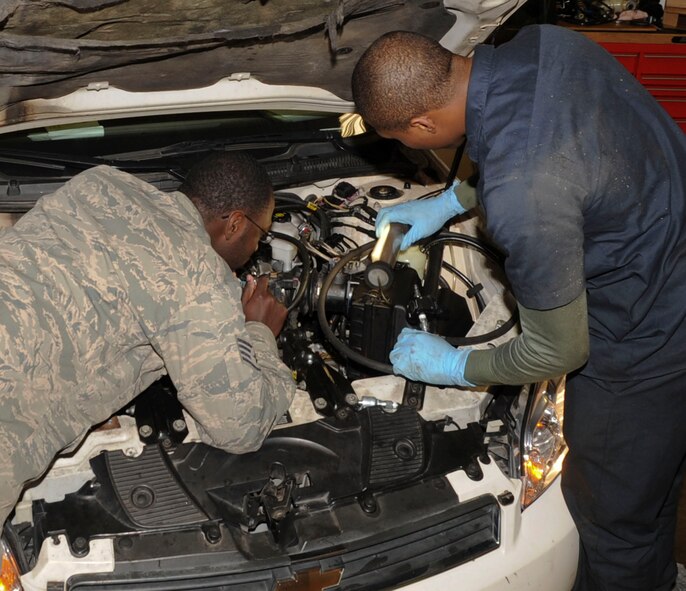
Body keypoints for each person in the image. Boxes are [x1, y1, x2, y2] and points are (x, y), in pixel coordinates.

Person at [352, 24, 686, 591]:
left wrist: (455, 366)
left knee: (612, 517)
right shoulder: (544, 43)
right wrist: (451, 199)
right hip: (668, 239)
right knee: (654, 484)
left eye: (404, 142)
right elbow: (553, 136)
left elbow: (560, 347)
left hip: (647, 343)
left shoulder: (524, 196)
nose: (410, 151)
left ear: (424, 127)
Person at [0, 151, 295, 529]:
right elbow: (239, 427)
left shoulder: (101, 181)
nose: (258, 249)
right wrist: (260, 332)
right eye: (261, 234)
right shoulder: (197, 276)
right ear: (235, 223)